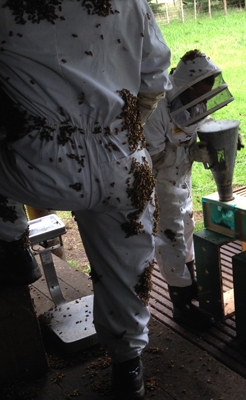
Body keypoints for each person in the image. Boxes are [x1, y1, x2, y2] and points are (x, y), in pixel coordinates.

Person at [0, 1, 170, 398]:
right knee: (129, 271)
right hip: (123, 163)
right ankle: (129, 368)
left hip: (42, 163)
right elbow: (155, 75)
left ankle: (10, 243)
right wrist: (127, 128)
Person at [144, 49, 234, 330]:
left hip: (182, 178)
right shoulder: (157, 108)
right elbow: (154, 156)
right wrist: (191, 154)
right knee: (169, 237)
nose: (203, 99)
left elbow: (201, 123)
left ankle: (190, 284)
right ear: (186, 86)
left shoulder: (196, 100)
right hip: (158, 181)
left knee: (186, 228)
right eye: (199, 93)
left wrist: (219, 139)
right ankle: (180, 305)